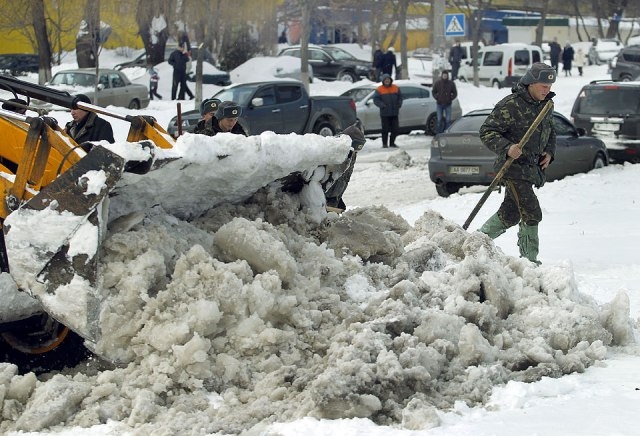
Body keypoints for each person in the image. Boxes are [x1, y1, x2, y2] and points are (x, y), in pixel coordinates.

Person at [477, 62, 557, 265]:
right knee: (531, 211)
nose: (547, 91)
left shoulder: (546, 105)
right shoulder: (511, 105)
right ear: (531, 83)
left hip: (531, 169)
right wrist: (507, 147)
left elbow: (551, 130)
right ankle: (530, 262)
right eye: (543, 87)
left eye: (549, 87)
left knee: (510, 214)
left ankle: (476, 242)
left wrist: (549, 151)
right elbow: (486, 131)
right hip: (513, 168)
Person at [372, 73, 402, 148]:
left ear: (390, 80)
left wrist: (399, 104)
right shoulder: (379, 89)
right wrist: (382, 105)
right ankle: (384, 144)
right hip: (385, 113)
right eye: (386, 80)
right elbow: (376, 99)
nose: (387, 81)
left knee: (395, 129)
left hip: (394, 112)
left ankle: (392, 143)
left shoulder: (396, 88)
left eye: (388, 79)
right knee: (385, 129)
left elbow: (400, 97)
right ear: (383, 81)